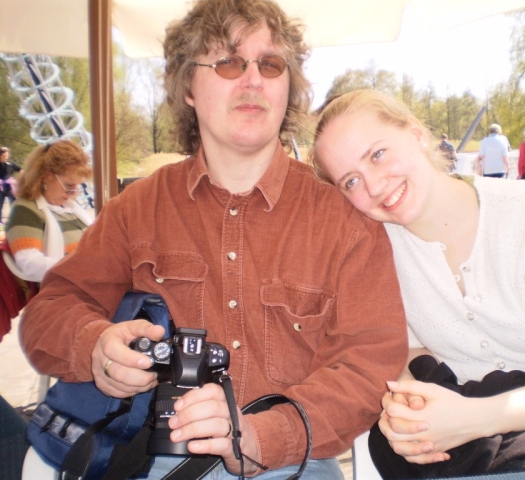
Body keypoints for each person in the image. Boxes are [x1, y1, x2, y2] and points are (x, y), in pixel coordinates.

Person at [20, 2, 408, 479]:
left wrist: (263, 435)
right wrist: (95, 346)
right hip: (155, 461)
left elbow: (370, 365)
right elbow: (48, 312)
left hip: (290, 463)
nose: (253, 80)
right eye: (228, 62)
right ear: (188, 86)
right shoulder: (136, 210)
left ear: (288, 87)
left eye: (270, 64)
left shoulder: (345, 221)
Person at [309, 89, 525, 471]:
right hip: (463, 434)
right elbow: (407, 350)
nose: (374, 186)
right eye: (351, 181)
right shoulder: (375, 247)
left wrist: (472, 419)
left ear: (416, 134)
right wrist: (410, 405)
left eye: (377, 154)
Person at [5, 141, 93, 282]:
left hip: (89, 283)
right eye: (69, 185)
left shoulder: (70, 208)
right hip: (64, 288)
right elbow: (29, 262)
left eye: (78, 186)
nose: (74, 193)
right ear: (46, 175)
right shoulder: (25, 210)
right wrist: (85, 271)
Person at [0, 147, 22, 223]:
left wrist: (18, 180)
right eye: (5, 154)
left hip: (10, 188)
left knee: (13, 204)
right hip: (1, 188)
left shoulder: (11, 164)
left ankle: (14, 220)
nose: (6, 155)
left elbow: (21, 170)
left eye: (7, 154)